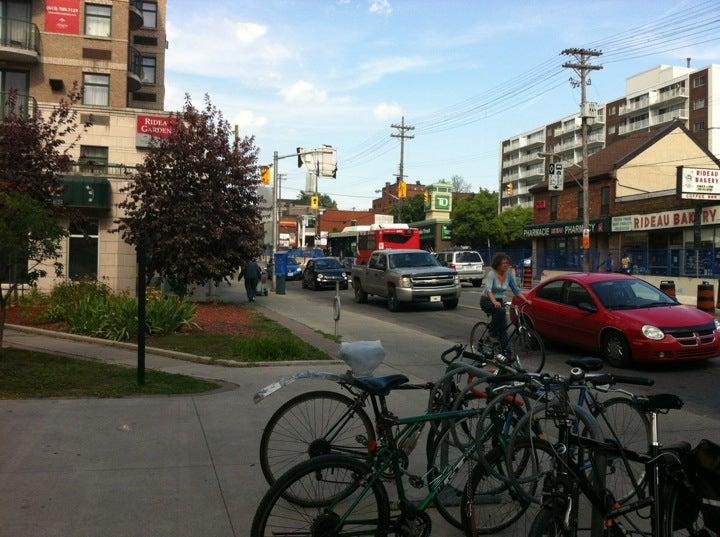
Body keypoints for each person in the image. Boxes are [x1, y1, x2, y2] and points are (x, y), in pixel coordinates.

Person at [480, 253, 531, 352]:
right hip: (487, 300)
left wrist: (526, 300)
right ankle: (492, 334)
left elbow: (516, 291)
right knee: (501, 311)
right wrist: (494, 301)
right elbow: (489, 290)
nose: (506, 265)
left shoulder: (509, 276)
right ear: (497, 265)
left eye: (507, 263)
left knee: (503, 328)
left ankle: (507, 353)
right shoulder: (492, 274)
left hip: (498, 301)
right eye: (503, 263)